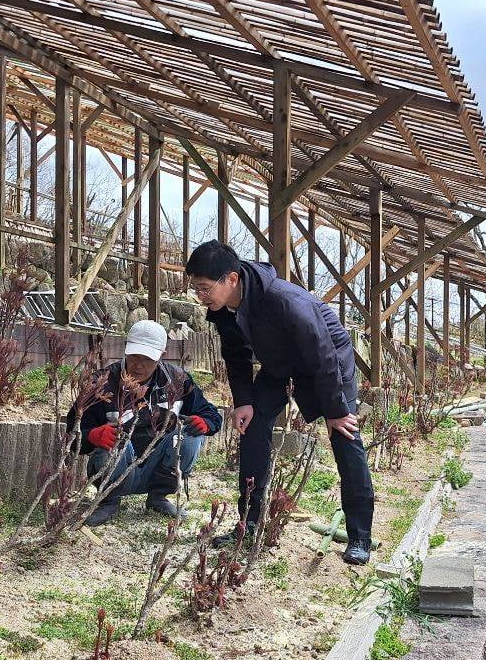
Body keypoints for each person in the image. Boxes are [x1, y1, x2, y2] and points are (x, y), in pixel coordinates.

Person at [184, 240, 375, 565]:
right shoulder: (223, 308)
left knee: (344, 434)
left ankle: (360, 536)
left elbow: (322, 352)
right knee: (253, 426)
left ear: (231, 279)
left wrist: (335, 410)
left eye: (204, 289)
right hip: (280, 363)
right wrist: (243, 400)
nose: (200, 297)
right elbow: (235, 353)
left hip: (327, 361)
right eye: (196, 289)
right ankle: (250, 520)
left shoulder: (284, 300)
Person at [67, 319, 223, 527]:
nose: (138, 365)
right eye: (134, 356)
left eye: (147, 359)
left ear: (161, 355)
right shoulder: (101, 383)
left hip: (159, 461)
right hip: (118, 463)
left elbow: (212, 415)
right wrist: (92, 435)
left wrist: (206, 423)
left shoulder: (178, 380)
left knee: (191, 434)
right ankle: (108, 500)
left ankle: (159, 496)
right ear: (125, 350)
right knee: (114, 437)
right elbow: (72, 432)